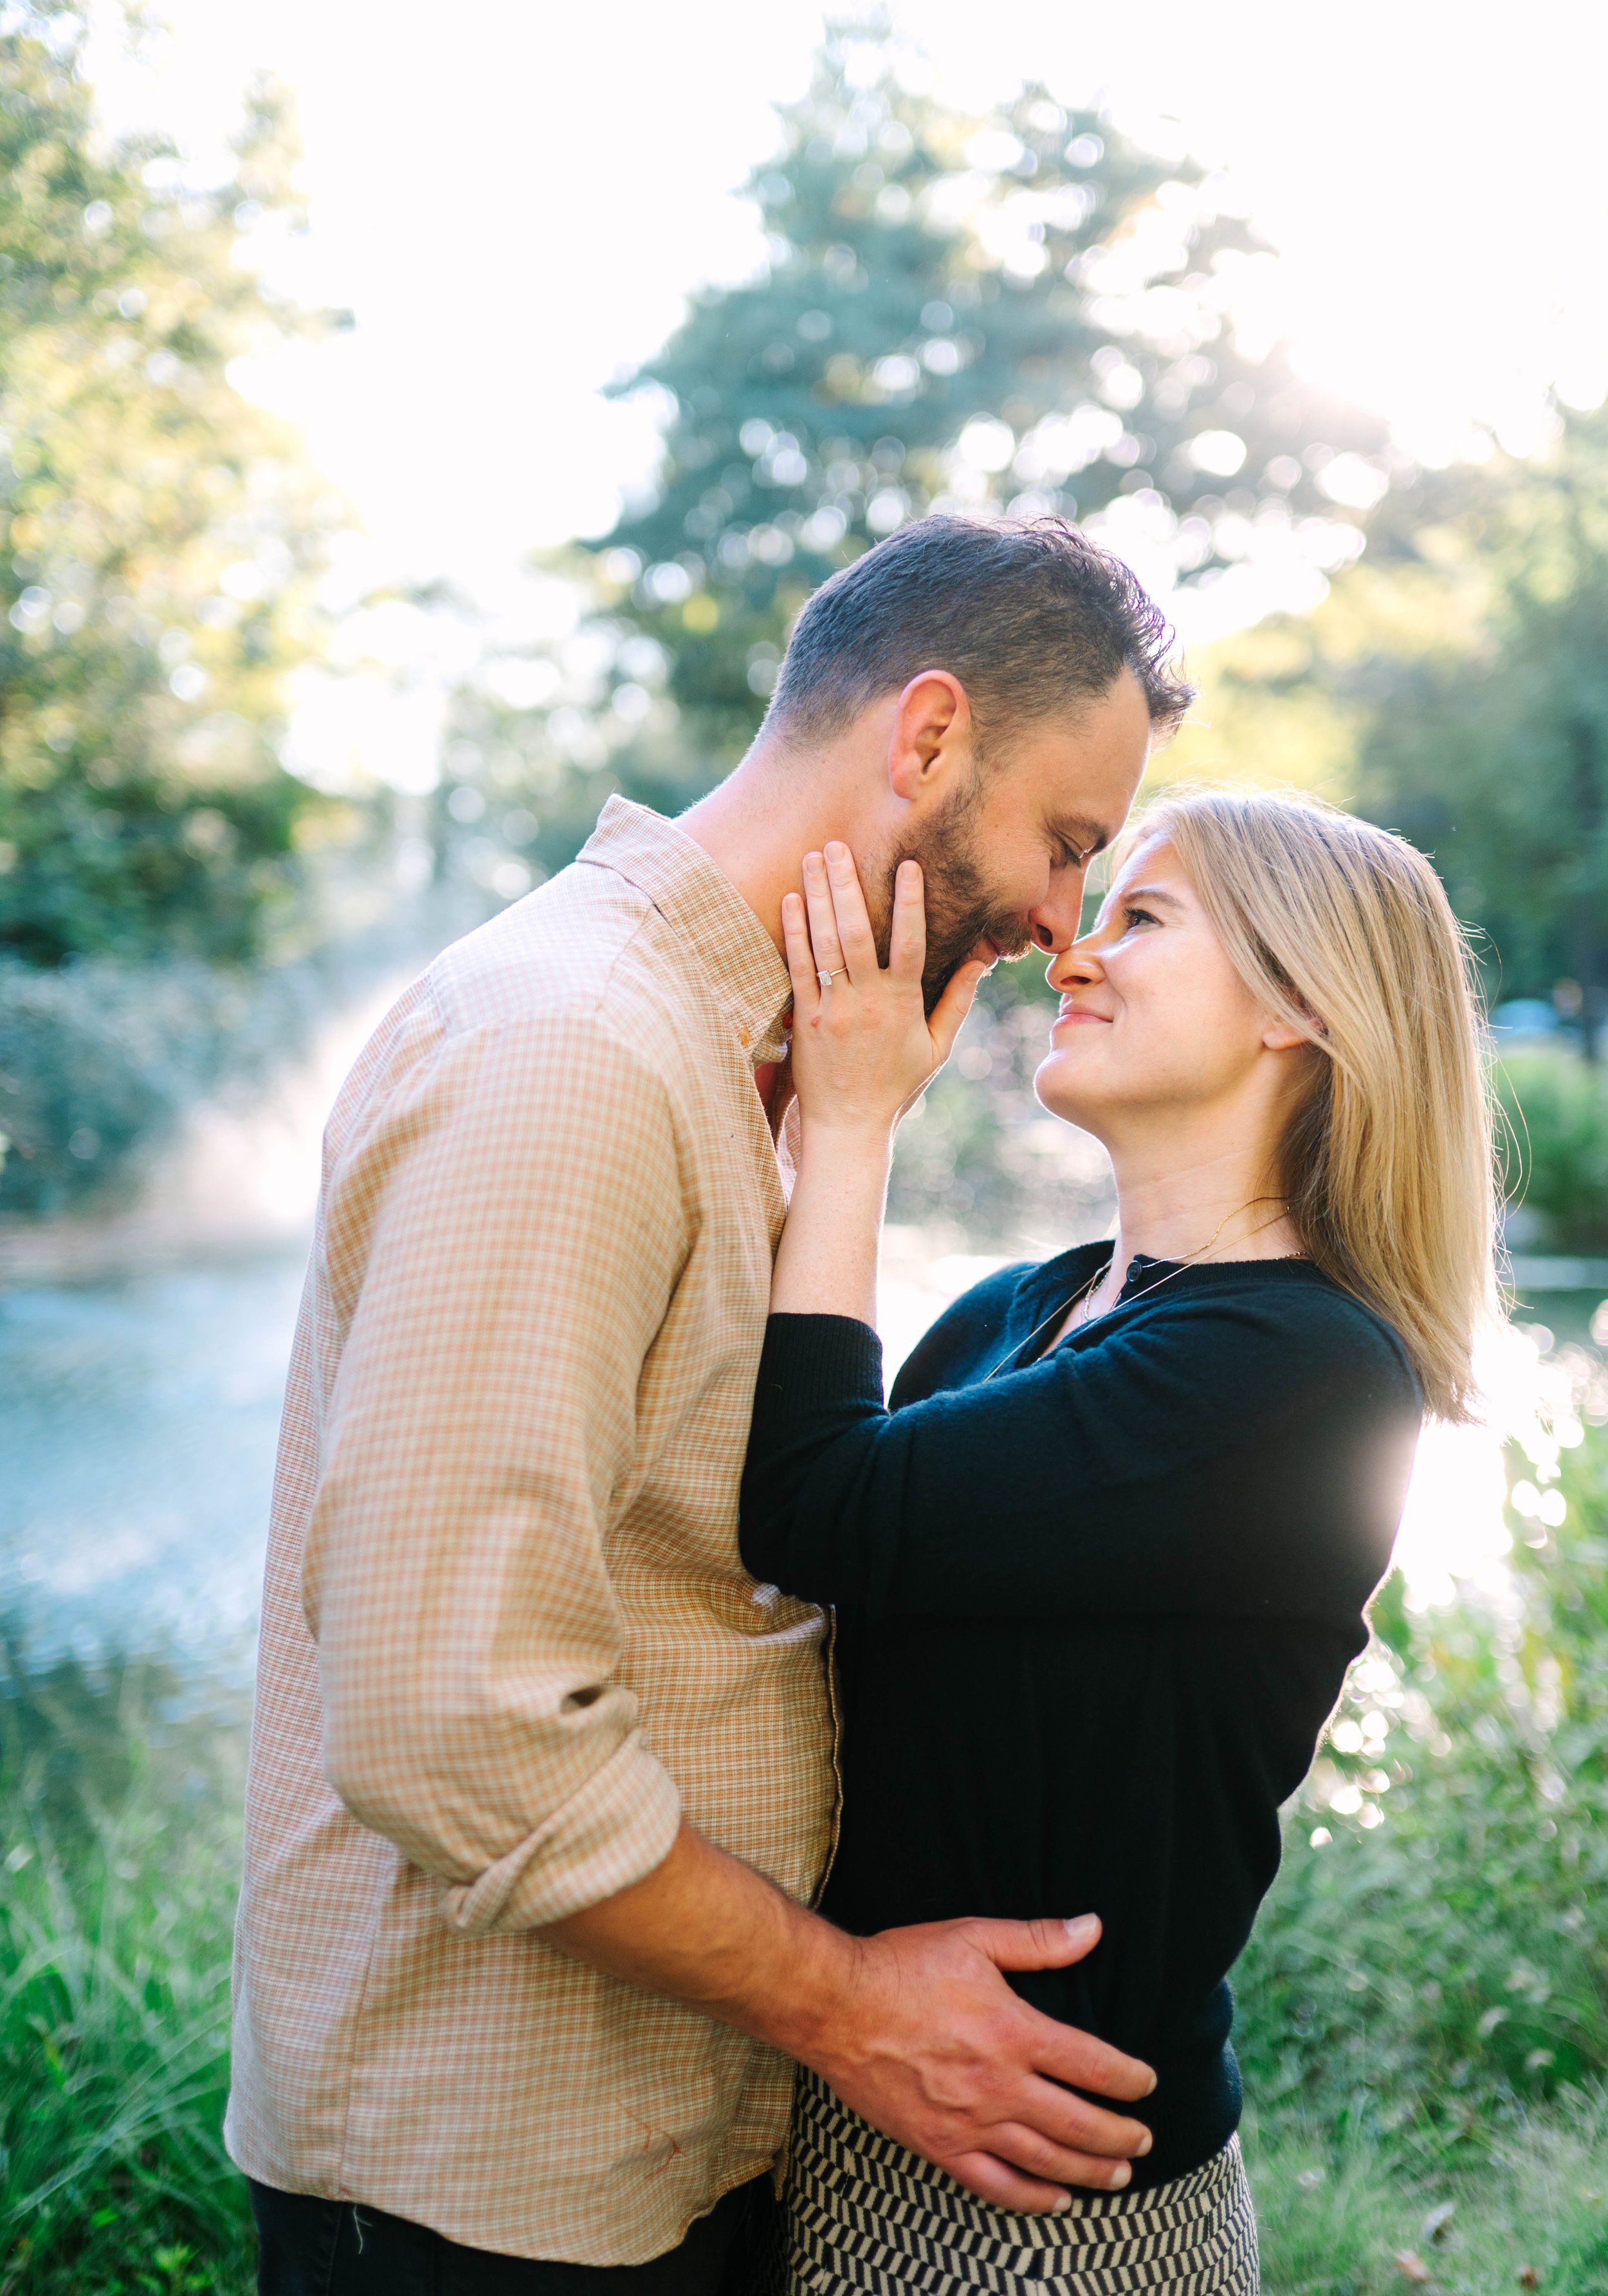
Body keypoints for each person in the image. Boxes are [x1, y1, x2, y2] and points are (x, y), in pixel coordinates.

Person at [227, 514, 1196, 2292]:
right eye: (1067, 842)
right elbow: (452, 1715)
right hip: (488, 2187)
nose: (1064, 918)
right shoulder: (570, 1053)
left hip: (650, 2136)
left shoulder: (746, 1051)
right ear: (923, 737)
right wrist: (848, 2006)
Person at [740, 787, 1497, 2295]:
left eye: (1139, 917)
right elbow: (797, 1526)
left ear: (1298, 1004)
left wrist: (848, 1118)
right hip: (852, 2112)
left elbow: (811, 1501)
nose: (1072, 953)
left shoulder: (1293, 1373)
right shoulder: (1012, 1312)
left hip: (1048, 2207)